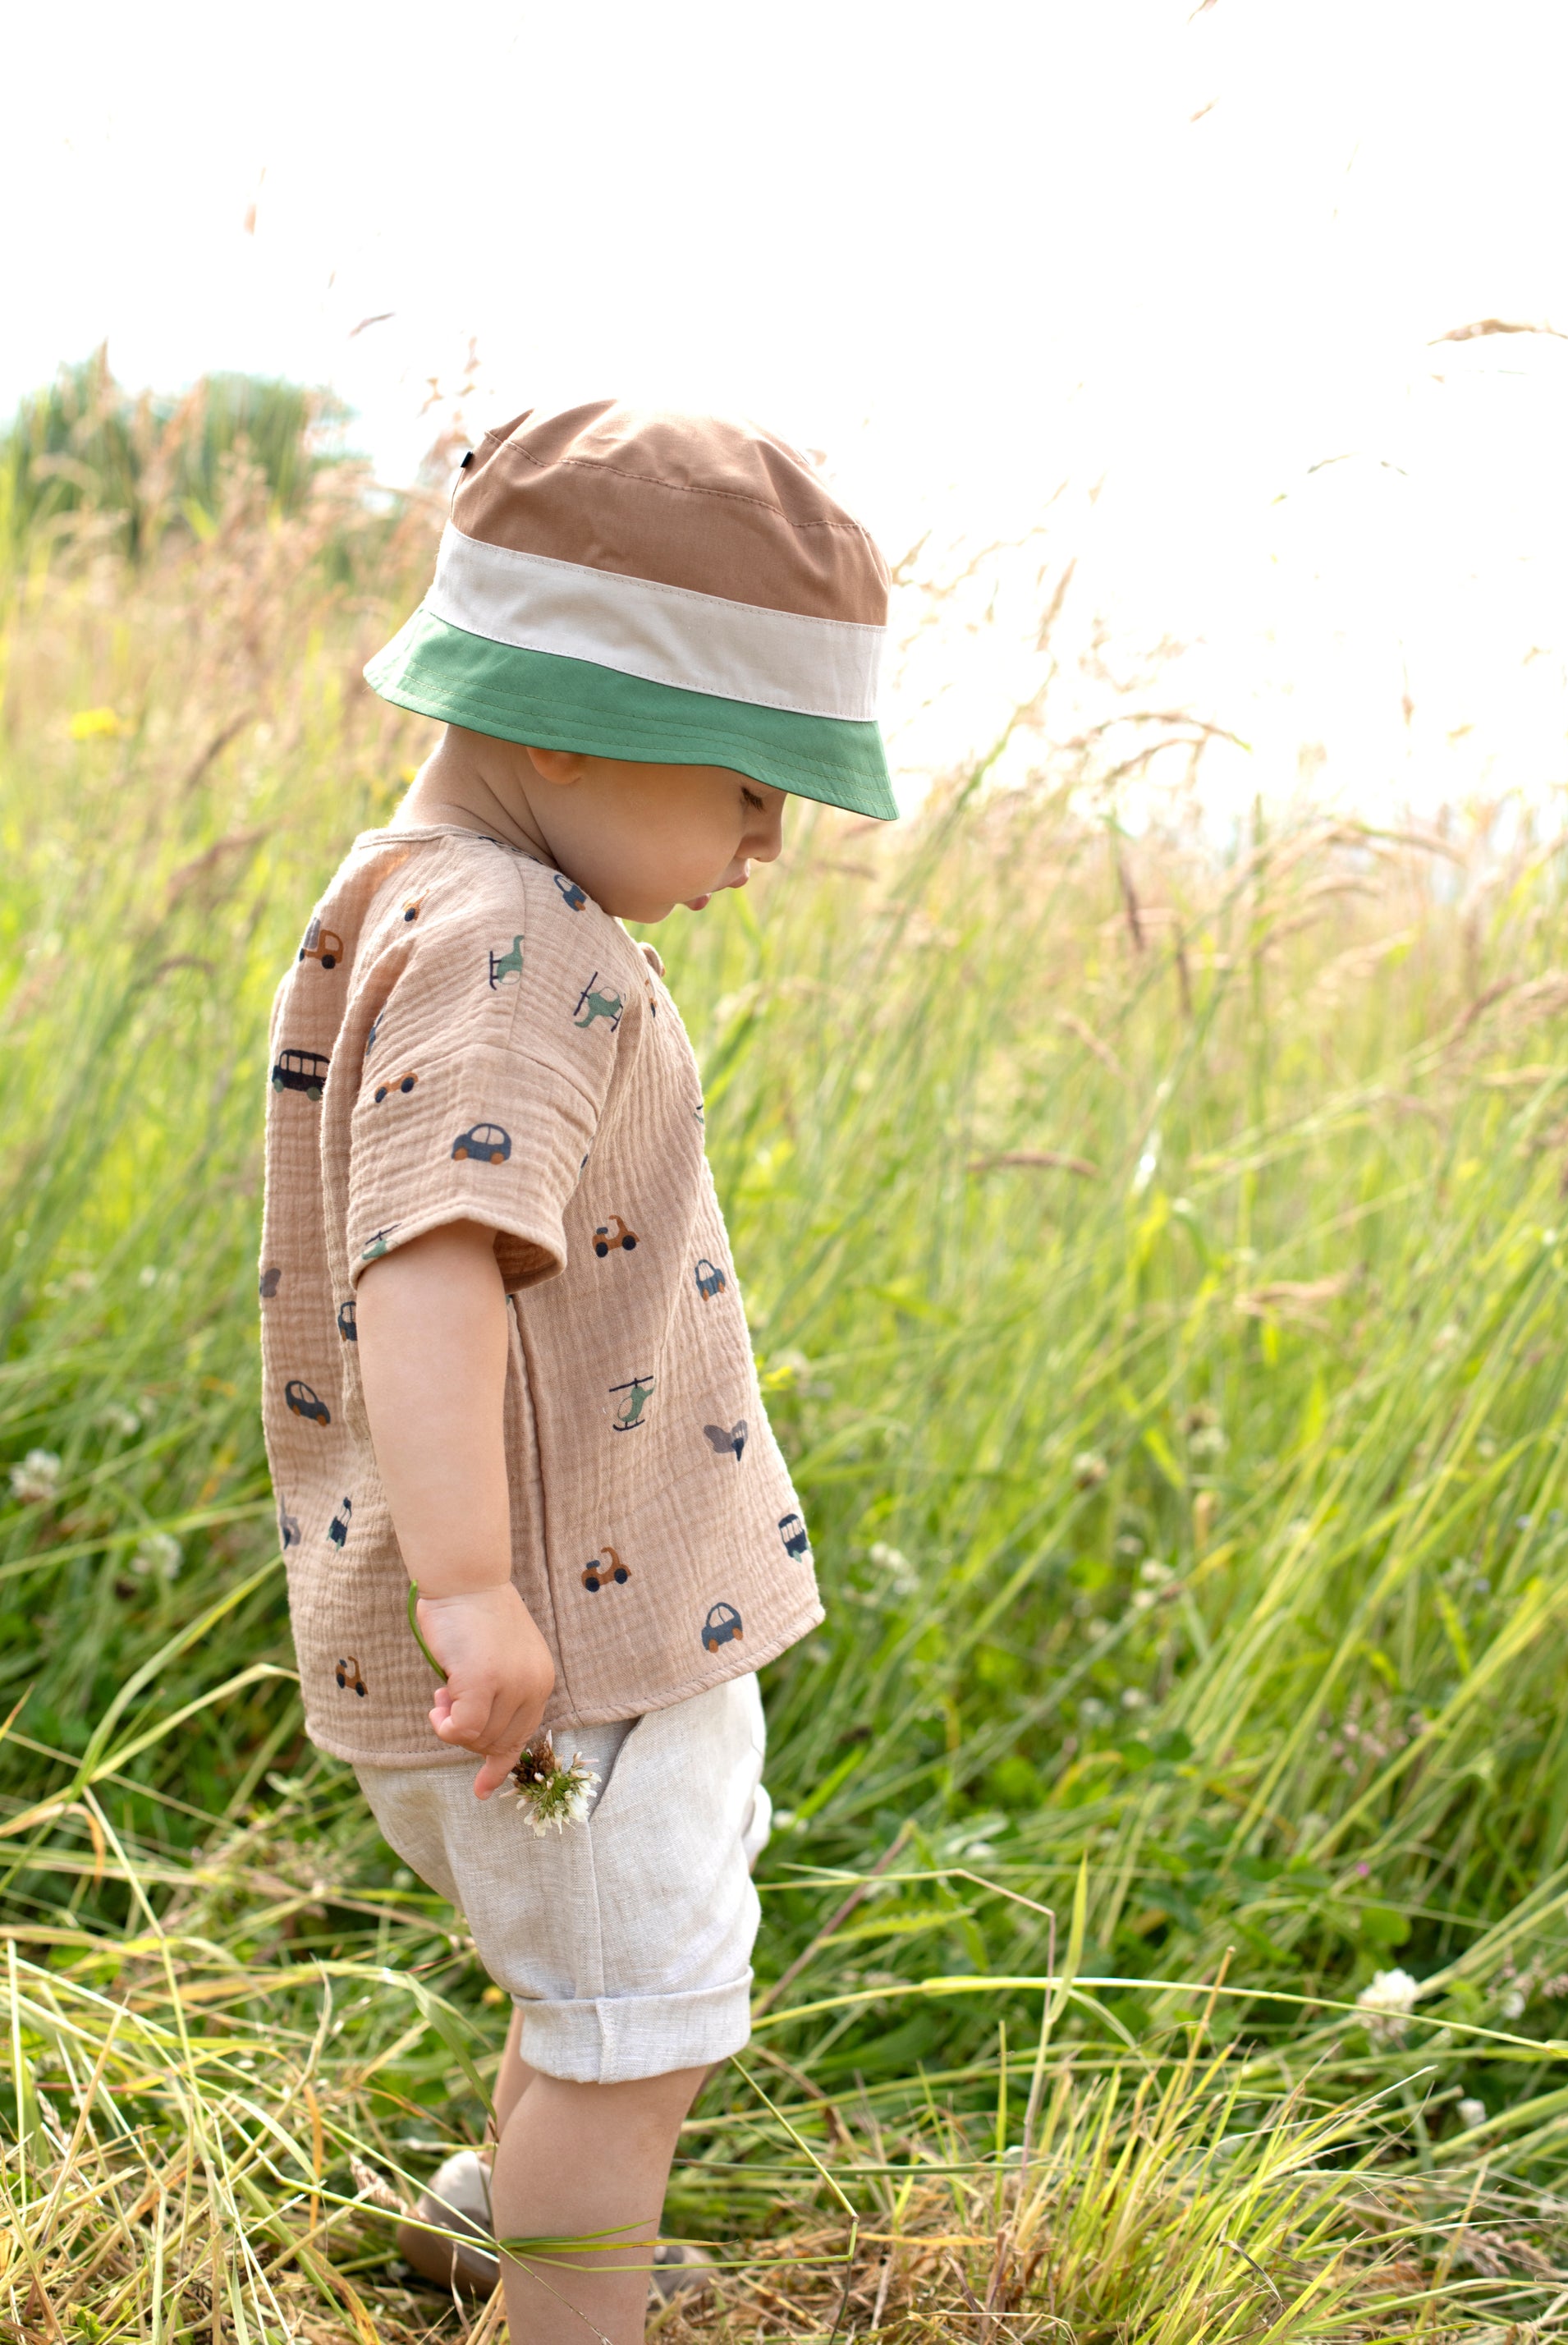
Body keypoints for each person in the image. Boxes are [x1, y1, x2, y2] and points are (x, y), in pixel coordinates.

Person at [258, 401, 896, 2345]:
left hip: (575, 1624)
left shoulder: (415, 892)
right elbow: (428, 1266)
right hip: (570, 1642)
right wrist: (473, 1586)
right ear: (567, 716)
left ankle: (498, 2218)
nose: (770, 843)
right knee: (632, 2043)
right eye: (753, 784)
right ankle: (566, 2304)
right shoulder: (516, 945)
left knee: (607, 1998)